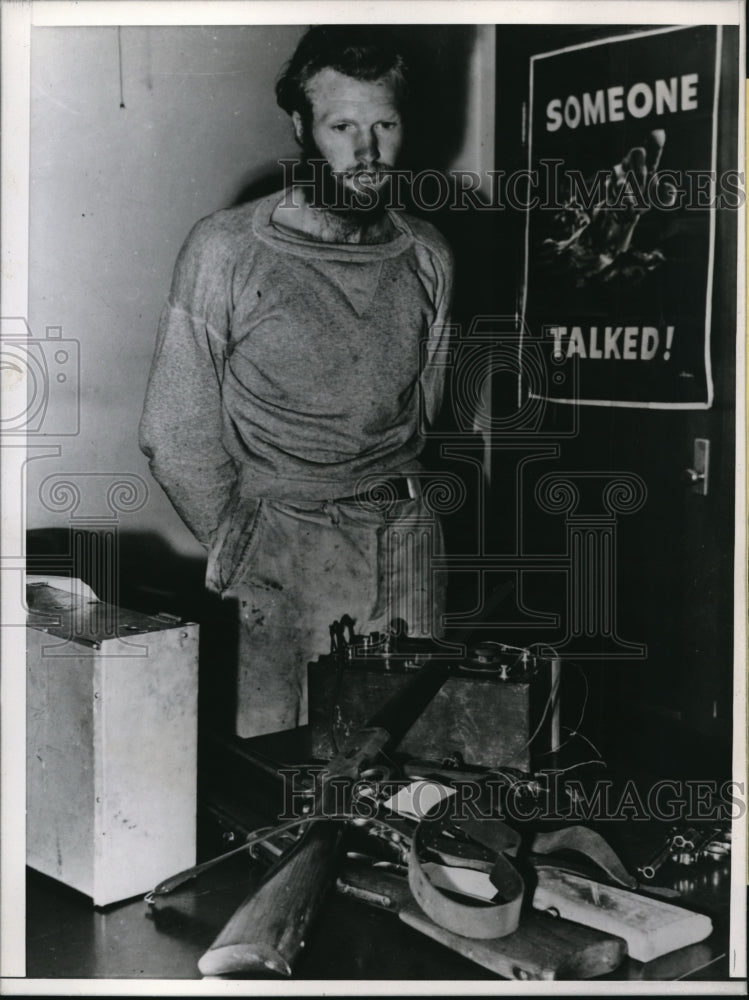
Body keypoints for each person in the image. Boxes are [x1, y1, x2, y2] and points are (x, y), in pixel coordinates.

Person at [139, 26, 455, 737]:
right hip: (283, 550)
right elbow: (173, 434)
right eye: (342, 126)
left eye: (385, 124)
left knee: (415, 767)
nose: (367, 152)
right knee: (290, 775)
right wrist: (241, 542)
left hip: (405, 543)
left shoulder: (429, 253)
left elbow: (427, 410)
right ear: (301, 127)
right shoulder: (226, 248)